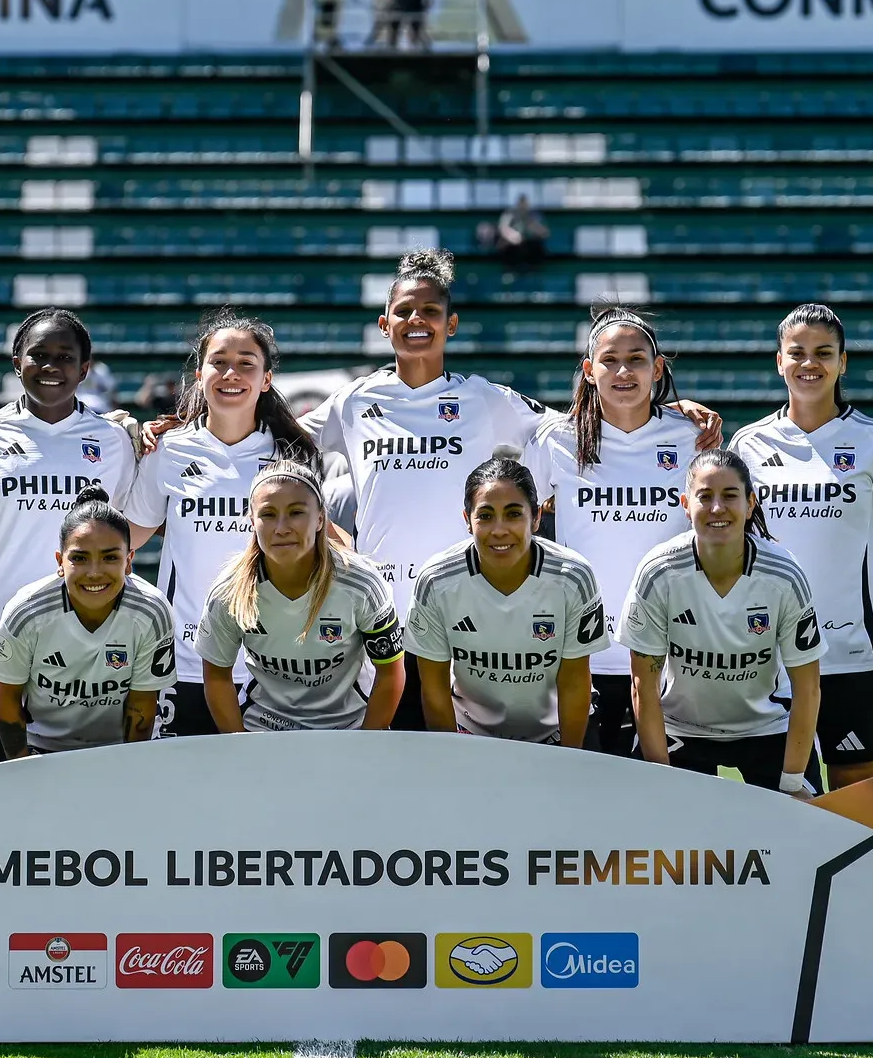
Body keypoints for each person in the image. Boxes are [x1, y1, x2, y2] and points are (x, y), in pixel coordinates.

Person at [301, 249, 721, 732]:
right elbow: (280, 441)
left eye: (431, 312)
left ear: (451, 324)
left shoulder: (485, 398)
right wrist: (325, 532)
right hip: (380, 619)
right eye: (404, 311)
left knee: (467, 760)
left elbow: (585, 422)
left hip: (463, 618)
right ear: (383, 323)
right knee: (388, 765)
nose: (417, 320)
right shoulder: (354, 400)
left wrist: (669, 407)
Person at [731, 303, 873, 792]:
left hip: (852, 654)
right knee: (776, 805)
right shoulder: (748, 444)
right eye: (797, 353)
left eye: (823, 352)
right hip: (767, 659)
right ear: (779, 361)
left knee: (856, 807)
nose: (809, 363)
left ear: (843, 362)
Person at [0, 309, 135, 765]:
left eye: (65, 357)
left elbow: (136, 527)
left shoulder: (113, 441)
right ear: (16, 361)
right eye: (38, 355)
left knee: (92, 788)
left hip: (91, 643)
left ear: (84, 369)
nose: (50, 366)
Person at [125, 313, 321, 738]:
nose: (232, 374)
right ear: (200, 375)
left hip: (270, 661)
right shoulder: (168, 450)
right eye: (219, 362)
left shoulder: (292, 455)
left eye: (247, 363)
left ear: (266, 379)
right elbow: (127, 540)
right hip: (185, 659)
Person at [525, 307, 701, 757]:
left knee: (668, 803)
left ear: (657, 368)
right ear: (589, 370)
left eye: (637, 359)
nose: (624, 371)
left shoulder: (691, 437)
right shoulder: (558, 441)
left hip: (670, 657)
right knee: (586, 802)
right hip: (581, 655)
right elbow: (515, 519)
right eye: (609, 360)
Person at [618, 450, 824, 796]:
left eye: (730, 496)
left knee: (809, 835)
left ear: (751, 504)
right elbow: (643, 686)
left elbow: (808, 689)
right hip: (680, 727)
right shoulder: (659, 571)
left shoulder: (784, 575)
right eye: (705, 497)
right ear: (685, 504)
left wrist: (791, 784)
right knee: (661, 839)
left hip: (765, 726)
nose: (717, 508)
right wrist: (661, 779)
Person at [406, 456, 606, 746]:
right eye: (485, 516)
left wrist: (568, 759)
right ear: (467, 520)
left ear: (536, 518)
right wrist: (452, 759)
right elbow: (434, 686)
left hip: (557, 732)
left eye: (513, 514)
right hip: (470, 733)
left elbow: (575, 681)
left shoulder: (573, 577)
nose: (499, 530)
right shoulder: (436, 580)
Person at [197, 461, 405, 732]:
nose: (281, 527)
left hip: (348, 730)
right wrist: (240, 745)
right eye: (268, 514)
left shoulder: (362, 585)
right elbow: (217, 677)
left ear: (320, 518)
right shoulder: (230, 590)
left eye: (296, 512)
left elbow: (391, 672)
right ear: (252, 521)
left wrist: (366, 743)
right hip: (264, 729)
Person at [0, 485, 175, 756]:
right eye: (79, 558)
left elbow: (141, 704)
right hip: (42, 749)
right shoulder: (27, 611)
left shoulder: (151, 611)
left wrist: (130, 771)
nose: (94, 572)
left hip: (116, 751)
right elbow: (7, 699)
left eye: (110, 557)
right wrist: (23, 768)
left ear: (129, 560)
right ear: (60, 561)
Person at [495, 194, 548, 268]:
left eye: (525, 203)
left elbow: (544, 232)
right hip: (511, 247)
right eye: (521, 203)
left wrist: (532, 226)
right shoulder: (510, 213)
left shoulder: (534, 215)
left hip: (531, 246)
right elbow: (503, 228)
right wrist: (514, 236)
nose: (523, 206)